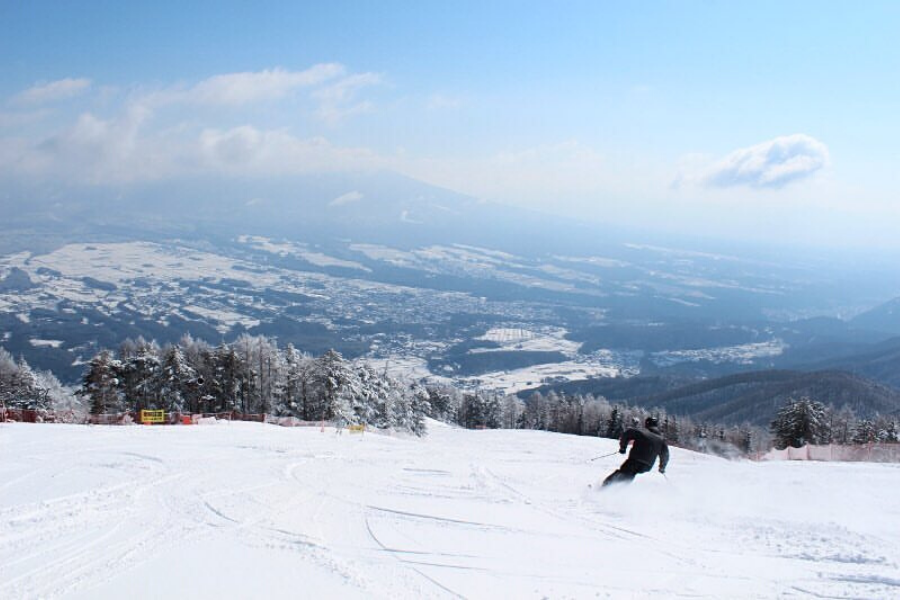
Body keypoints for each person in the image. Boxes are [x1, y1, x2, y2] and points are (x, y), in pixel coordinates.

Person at [602, 416, 669, 487]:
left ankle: (603, 488)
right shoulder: (661, 440)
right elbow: (665, 454)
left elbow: (627, 433)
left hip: (635, 460)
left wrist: (623, 448)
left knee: (622, 473)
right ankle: (616, 492)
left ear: (647, 424)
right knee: (630, 477)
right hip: (647, 466)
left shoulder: (642, 432)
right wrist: (662, 467)